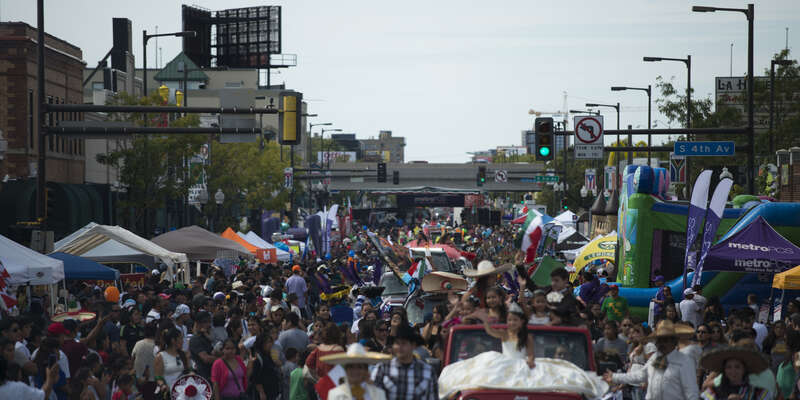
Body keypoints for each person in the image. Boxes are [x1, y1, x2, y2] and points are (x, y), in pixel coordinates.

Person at [604, 320, 700, 400]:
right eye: (659, 340)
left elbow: (691, 392)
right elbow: (642, 375)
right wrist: (614, 377)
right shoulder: (657, 358)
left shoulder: (684, 361)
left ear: (674, 341)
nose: (661, 343)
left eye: (665, 340)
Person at [371, 324, 438, 400]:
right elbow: (372, 395)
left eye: (403, 343)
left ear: (413, 345)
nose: (399, 347)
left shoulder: (428, 371)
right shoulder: (382, 368)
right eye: (397, 343)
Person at [472, 303, 535, 368]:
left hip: (521, 365)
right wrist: (485, 321)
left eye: (515, 320)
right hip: (506, 364)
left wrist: (530, 360)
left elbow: (530, 354)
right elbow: (491, 331)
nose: (512, 322)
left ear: (522, 321)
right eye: (509, 320)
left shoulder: (527, 336)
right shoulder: (504, 334)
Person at [699, 345, 771, 400]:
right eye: (729, 367)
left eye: (737, 367)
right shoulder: (714, 392)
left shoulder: (757, 392)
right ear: (724, 370)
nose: (733, 371)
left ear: (744, 369)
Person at [321, 343, 390, 400]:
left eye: (360, 367)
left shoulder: (378, 394)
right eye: (351, 367)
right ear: (346, 370)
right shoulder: (335, 394)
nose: (355, 371)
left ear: (366, 370)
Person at [153, 327, 188, 393]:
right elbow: (158, 377)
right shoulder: (160, 356)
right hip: (169, 392)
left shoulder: (183, 354)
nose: (183, 341)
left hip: (183, 392)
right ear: (173, 340)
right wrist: (163, 385)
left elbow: (188, 370)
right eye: (180, 338)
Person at [249, 333, 280, 400]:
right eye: (267, 342)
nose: (270, 344)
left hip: (272, 391)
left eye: (271, 342)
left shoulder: (270, 355)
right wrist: (261, 392)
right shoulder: (258, 357)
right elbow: (256, 377)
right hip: (263, 393)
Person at [190, 311, 217, 381]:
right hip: (202, 378)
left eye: (209, 322)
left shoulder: (206, 336)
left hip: (211, 374)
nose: (209, 325)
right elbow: (206, 359)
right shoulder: (195, 339)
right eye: (206, 322)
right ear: (198, 323)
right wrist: (223, 359)